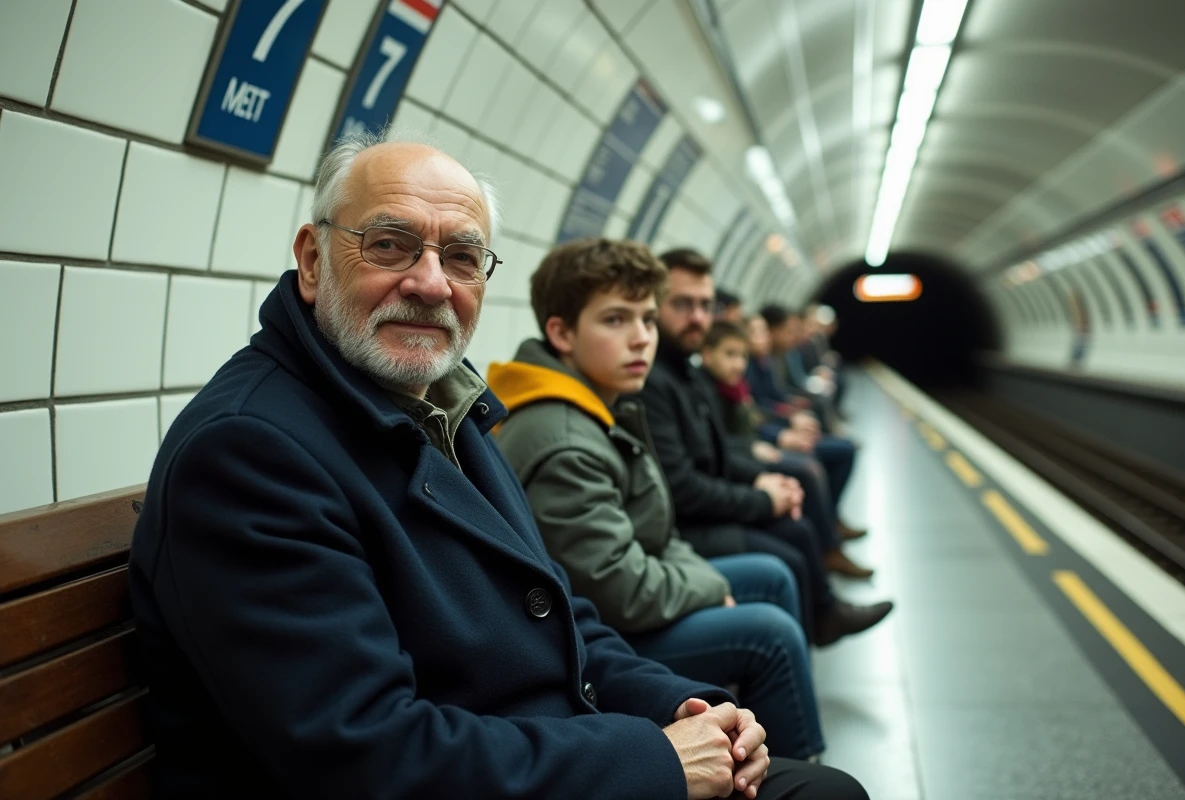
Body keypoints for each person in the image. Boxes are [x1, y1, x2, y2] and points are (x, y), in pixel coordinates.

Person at [127, 130, 867, 800]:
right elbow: (368, 756)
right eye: (389, 244)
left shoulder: (445, 407)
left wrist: (681, 706)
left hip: (535, 756)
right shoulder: (251, 453)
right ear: (314, 260)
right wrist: (656, 760)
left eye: (460, 257)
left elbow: (562, 615)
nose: (430, 282)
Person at [489, 238, 828, 762]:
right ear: (561, 332)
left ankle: (769, 741)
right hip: (598, 638)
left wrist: (706, 586)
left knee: (772, 575)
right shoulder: (563, 436)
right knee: (771, 634)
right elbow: (618, 589)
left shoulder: (602, 404)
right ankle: (792, 768)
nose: (641, 339)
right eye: (616, 320)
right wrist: (710, 587)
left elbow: (660, 532)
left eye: (647, 319)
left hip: (638, 594)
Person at [635, 248, 893, 646]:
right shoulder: (652, 381)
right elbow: (682, 486)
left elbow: (717, 453)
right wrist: (761, 498)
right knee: (787, 557)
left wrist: (764, 481)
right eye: (682, 304)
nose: (698, 317)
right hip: (685, 529)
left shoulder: (686, 373)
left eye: (705, 305)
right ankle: (807, 634)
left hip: (703, 511)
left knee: (798, 527)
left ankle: (820, 616)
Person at [700, 321, 873, 579]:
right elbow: (721, 441)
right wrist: (770, 440)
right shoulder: (707, 390)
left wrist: (786, 421)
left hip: (750, 451)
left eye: (741, 355)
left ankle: (828, 530)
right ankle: (827, 545)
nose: (738, 364)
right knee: (807, 469)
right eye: (730, 355)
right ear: (706, 354)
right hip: (744, 457)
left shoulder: (736, 385)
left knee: (828, 455)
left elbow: (757, 413)